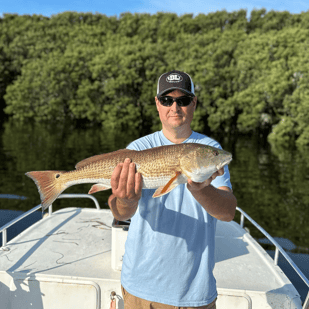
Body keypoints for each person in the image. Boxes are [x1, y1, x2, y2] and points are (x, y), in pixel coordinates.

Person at [108, 70, 237, 309]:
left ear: (194, 103)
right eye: (167, 100)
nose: (174, 107)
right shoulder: (137, 148)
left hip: (195, 294)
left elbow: (228, 212)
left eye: (183, 100)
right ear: (157, 104)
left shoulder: (209, 149)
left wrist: (200, 189)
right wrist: (126, 200)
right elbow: (120, 214)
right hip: (140, 289)